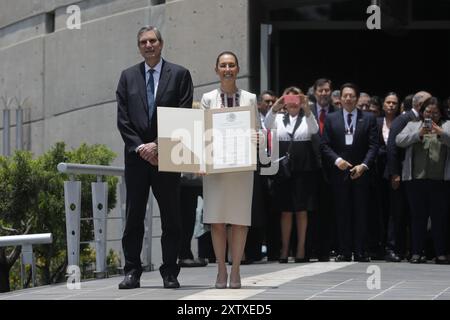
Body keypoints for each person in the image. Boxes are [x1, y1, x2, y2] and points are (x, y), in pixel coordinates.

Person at [116, 26, 194, 289]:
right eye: (143, 42)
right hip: (137, 159)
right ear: (139, 47)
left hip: (168, 156)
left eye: (152, 41)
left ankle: (170, 272)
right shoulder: (127, 77)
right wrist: (142, 148)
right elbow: (123, 120)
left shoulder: (180, 75)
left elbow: (184, 115)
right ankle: (131, 271)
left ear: (161, 44)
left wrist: (159, 146)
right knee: (133, 217)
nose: (148, 45)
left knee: (172, 217)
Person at [200, 51, 258, 289]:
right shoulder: (207, 98)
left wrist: (258, 137)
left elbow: (258, 130)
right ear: (216, 69)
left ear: (237, 69)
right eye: (223, 65)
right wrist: (201, 161)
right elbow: (202, 133)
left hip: (241, 167)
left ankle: (236, 271)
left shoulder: (250, 98)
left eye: (231, 65)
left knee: (240, 220)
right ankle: (221, 269)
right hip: (216, 168)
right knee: (217, 220)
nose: (227, 69)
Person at [320, 83, 378, 262]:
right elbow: (324, 145)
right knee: (342, 212)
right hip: (340, 173)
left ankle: (360, 250)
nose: (348, 98)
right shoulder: (332, 118)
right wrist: (337, 161)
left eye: (351, 95)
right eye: (345, 95)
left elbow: (374, 145)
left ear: (357, 98)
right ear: (340, 98)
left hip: (361, 172)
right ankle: (344, 251)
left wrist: (364, 165)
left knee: (361, 212)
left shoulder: (368, 118)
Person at [265, 86, 319, 263]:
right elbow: (266, 125)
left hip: (303, 169)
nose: (293, 103)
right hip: (284, 170)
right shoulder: (279, 118)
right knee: (285, 211)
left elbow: (314, 130)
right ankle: (285, 248)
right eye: (289, 100)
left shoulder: (307, 118)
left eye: (296, 100)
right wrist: (276, 106)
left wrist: (307, 108)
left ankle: (301, 248)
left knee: (302, 210)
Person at [396, 97, 450, 264]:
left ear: (440, 113)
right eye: (428, 112)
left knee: (439, 218)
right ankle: (416, 253)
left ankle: (440, 253)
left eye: (435, 112)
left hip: (440, 180)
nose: (431, 115)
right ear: (422, 112)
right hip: (416, 180)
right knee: (417, 217)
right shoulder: (413, 124)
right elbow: (399, 140)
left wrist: (440, 132)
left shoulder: (446, 125)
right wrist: (418, 135)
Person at [309, 78, 337, 262]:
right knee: (310, 211)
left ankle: (326, 249)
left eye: (327, 90)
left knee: (328, 211)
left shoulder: (338, 113)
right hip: (309, 168)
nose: (324, 93)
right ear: (314, 92)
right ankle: (310, 248)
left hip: (331, 169)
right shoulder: (307, 112)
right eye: (321, 90)